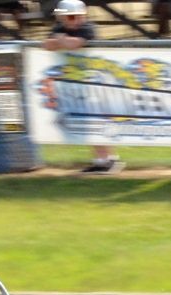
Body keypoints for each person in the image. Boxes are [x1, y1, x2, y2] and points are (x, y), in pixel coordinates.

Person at [43, 0, 124, 174]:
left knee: (96, 121)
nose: (72, 20)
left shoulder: (88, 28)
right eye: (67, 17)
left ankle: (107, 160)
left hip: (95, 82)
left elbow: (74, 44)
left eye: (75, 16)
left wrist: (60, 40)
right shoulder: (59, 29)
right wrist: (60, 40)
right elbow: (47, 45)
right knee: (88, 123)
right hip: (75, 85)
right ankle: (104, 160)